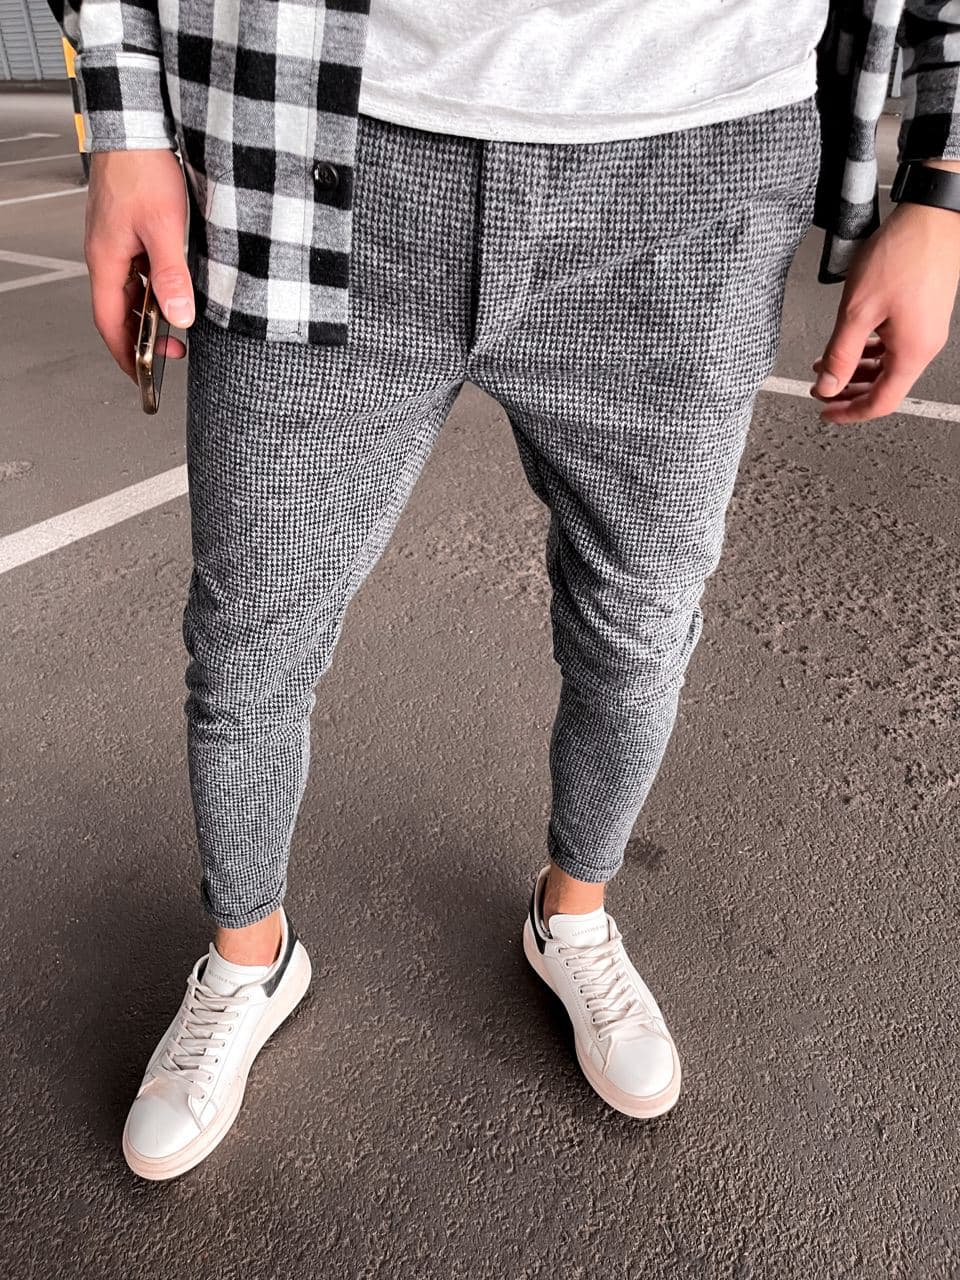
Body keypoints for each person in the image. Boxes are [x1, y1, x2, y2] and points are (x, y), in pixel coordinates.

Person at [47, 0, 960, 1181]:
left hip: (698, 172)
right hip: (316, 139)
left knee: (639, 623)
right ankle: (248, 957)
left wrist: (944, 181)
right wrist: (125, 121)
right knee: (251, 631)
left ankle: (571, 913)